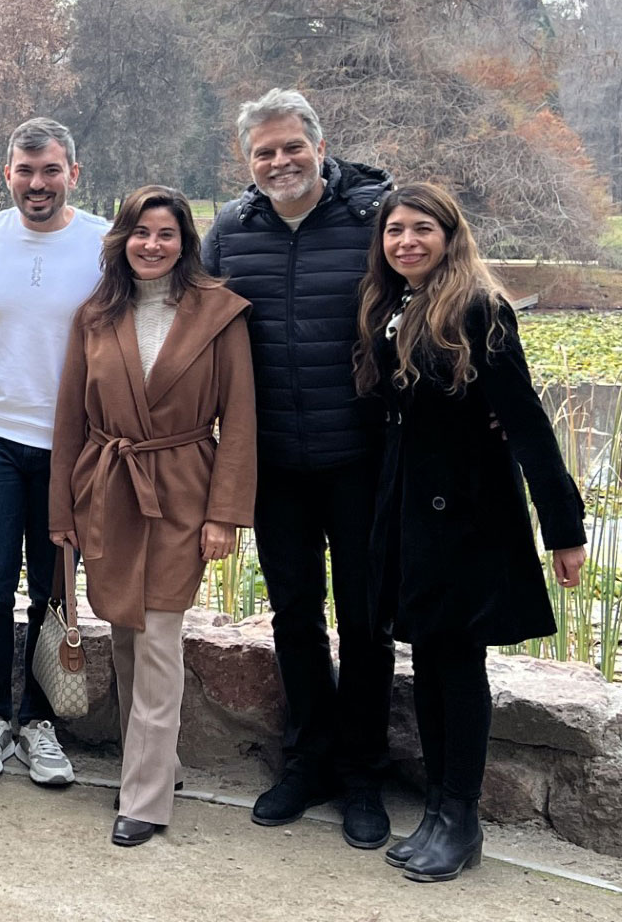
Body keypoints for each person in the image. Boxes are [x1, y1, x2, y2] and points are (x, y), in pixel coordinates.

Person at [352, 183, 586, 882]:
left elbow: (526, 423)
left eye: (422, 229)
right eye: (395, 231)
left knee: (458, 668)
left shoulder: (481, 310)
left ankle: (462, 818)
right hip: (409, 515)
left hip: (467, 520)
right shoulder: (392, 306)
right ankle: (436, 810)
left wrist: (564, 529)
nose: (406, 242)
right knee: (427, 663)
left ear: (450, 236)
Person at [201, 89, 397, 847]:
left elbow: (437, 297)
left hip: (361, 459)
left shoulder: (375, 219)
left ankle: (362, 776)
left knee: (366, 624)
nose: (279, 161)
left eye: (291, 147)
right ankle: (307, 761)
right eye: (263, 152)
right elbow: (196, 327)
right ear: (246, 161)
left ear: (320, 145)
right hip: (274, 461)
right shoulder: (230, 231)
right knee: (294, 618)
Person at [48, 186, 257, 846]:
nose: (151, 244)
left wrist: (223, 514)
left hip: (184, 491)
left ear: (184, 242)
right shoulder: (94, 315)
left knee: (161, 637)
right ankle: (154, 764)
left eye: (165, 233)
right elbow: (70, 422)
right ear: (122, 240)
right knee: (127, 632)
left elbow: (241, 420)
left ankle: (144, 797)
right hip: (108, 486)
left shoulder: (220, 315)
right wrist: (64, 511)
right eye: (140, 232)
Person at [0, 118, 108, 785]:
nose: (38, 183)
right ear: (7, 173)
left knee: (53, 590)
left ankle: (38, 722)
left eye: (51, 170)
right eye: (25, 171)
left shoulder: (101, 244)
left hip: (71, 444)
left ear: (73, 174)